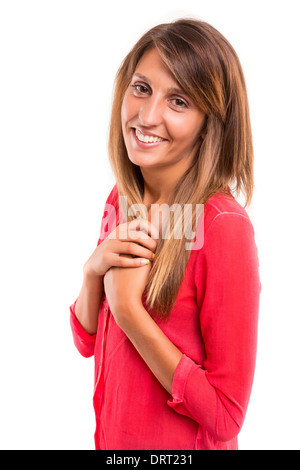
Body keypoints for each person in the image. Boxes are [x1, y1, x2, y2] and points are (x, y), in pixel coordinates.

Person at [70, 18, 261, 451]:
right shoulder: (123, 199)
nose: (148, 115)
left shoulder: (220, 226)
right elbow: (85, 341)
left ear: (209, 122)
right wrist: (92, 274)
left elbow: (226, 416)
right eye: (141, 88)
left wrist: (129, 311)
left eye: (178, 101)